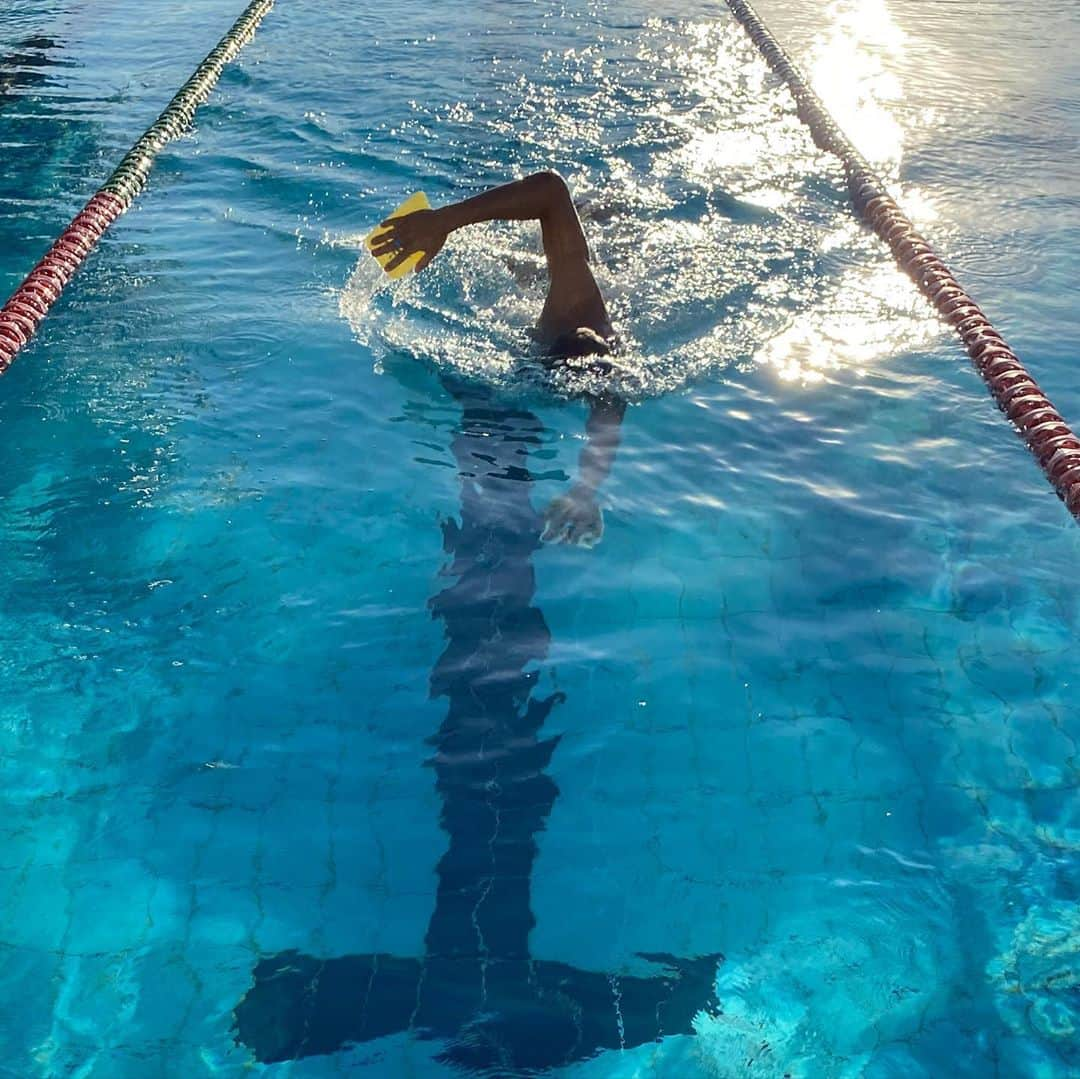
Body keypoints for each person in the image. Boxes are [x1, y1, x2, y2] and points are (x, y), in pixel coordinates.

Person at [370, 172, 625, 548]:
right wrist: (442, 221)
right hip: (563, 312)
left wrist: (585, 492)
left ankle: (591, 218)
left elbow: (608, 418)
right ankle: (595, 214)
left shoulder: (602, 370)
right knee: (549, 260)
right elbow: (552, 189)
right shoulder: (576, 306)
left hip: (566, 345)